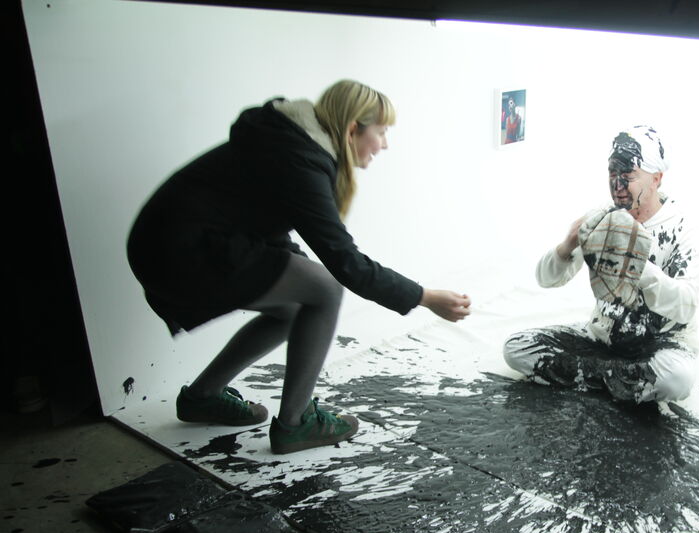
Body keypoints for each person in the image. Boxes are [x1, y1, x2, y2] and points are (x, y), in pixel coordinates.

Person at [128, 80, 470, 454]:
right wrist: (425, 297)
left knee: (297, 305)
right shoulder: (300, 157)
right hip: (180, 251)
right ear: (353, 128)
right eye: (382, 132)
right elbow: (346, 263)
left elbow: (261, 220)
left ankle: (203, 397)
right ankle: (296, 423)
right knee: (326, 289)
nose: (385, 144)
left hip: (172, 243)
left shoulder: (291, 144)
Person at [502, 125, 699, 405]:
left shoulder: (682, 228)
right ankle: (618, 381)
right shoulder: (603, 220)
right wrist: (567, 245)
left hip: (659, 345)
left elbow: (687, 306)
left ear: (656, 178)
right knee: (516, 348)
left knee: (677, 379)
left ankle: (588, 377)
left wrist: (638, 268)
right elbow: (546, 279)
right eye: (612, 174)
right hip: (602, 339)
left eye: (628, 176)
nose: (617, 186)